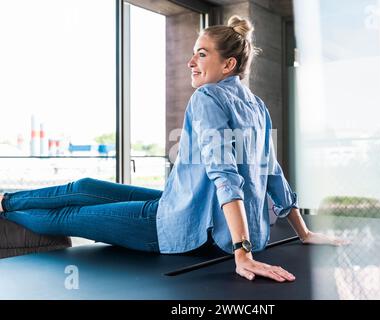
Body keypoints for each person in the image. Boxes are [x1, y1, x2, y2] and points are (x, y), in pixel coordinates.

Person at [0, 16, 346, 282]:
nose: (191, 62)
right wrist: (304, 233)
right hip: (183, 207)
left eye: (201, 54)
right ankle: (5, 200)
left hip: (189, 230)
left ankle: (4, 210)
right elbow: (273, 172)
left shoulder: (208, 97)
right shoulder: (255, 104)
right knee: (85, 187)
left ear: (228, 65)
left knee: (69, 217)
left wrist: (242, 253)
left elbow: (225, 174)